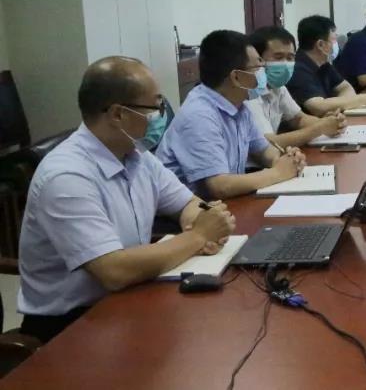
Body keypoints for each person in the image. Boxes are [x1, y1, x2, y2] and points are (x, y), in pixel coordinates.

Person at [18, 57, 234, 343]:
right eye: (155, 107)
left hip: (131, 296)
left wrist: (200, 221)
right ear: (118, 114)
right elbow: (113, 271)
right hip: (71, 326)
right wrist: (198, 236)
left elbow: (187, 203)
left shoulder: (137, 155)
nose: (162, 115)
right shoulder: (66, 177)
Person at [157, 30, 306, 199]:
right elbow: (220, 186)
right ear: (236, 77)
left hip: (224, 204)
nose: (263, 73)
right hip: (189, 211)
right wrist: (278, 173)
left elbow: (263, 151)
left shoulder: (239, 105)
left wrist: (285, 159)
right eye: (258, 67)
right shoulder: (199, 115)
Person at [245, 26, 348, 149]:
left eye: (290, 58)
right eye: (278, 57)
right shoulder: (249, 92)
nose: (285, 64)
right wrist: (320, 128)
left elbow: (298, 119)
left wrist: (331, 122)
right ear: (258, 59)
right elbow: (267, 144)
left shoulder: (278, 87)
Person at [287, 15, 366, 116]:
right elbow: (318, 107)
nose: (336, 44)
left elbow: (346, 87)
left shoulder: (324, 63)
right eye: (334, 40)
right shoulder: (297, 69)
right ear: (320, 45)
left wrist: (337, 106)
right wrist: (363, 99)